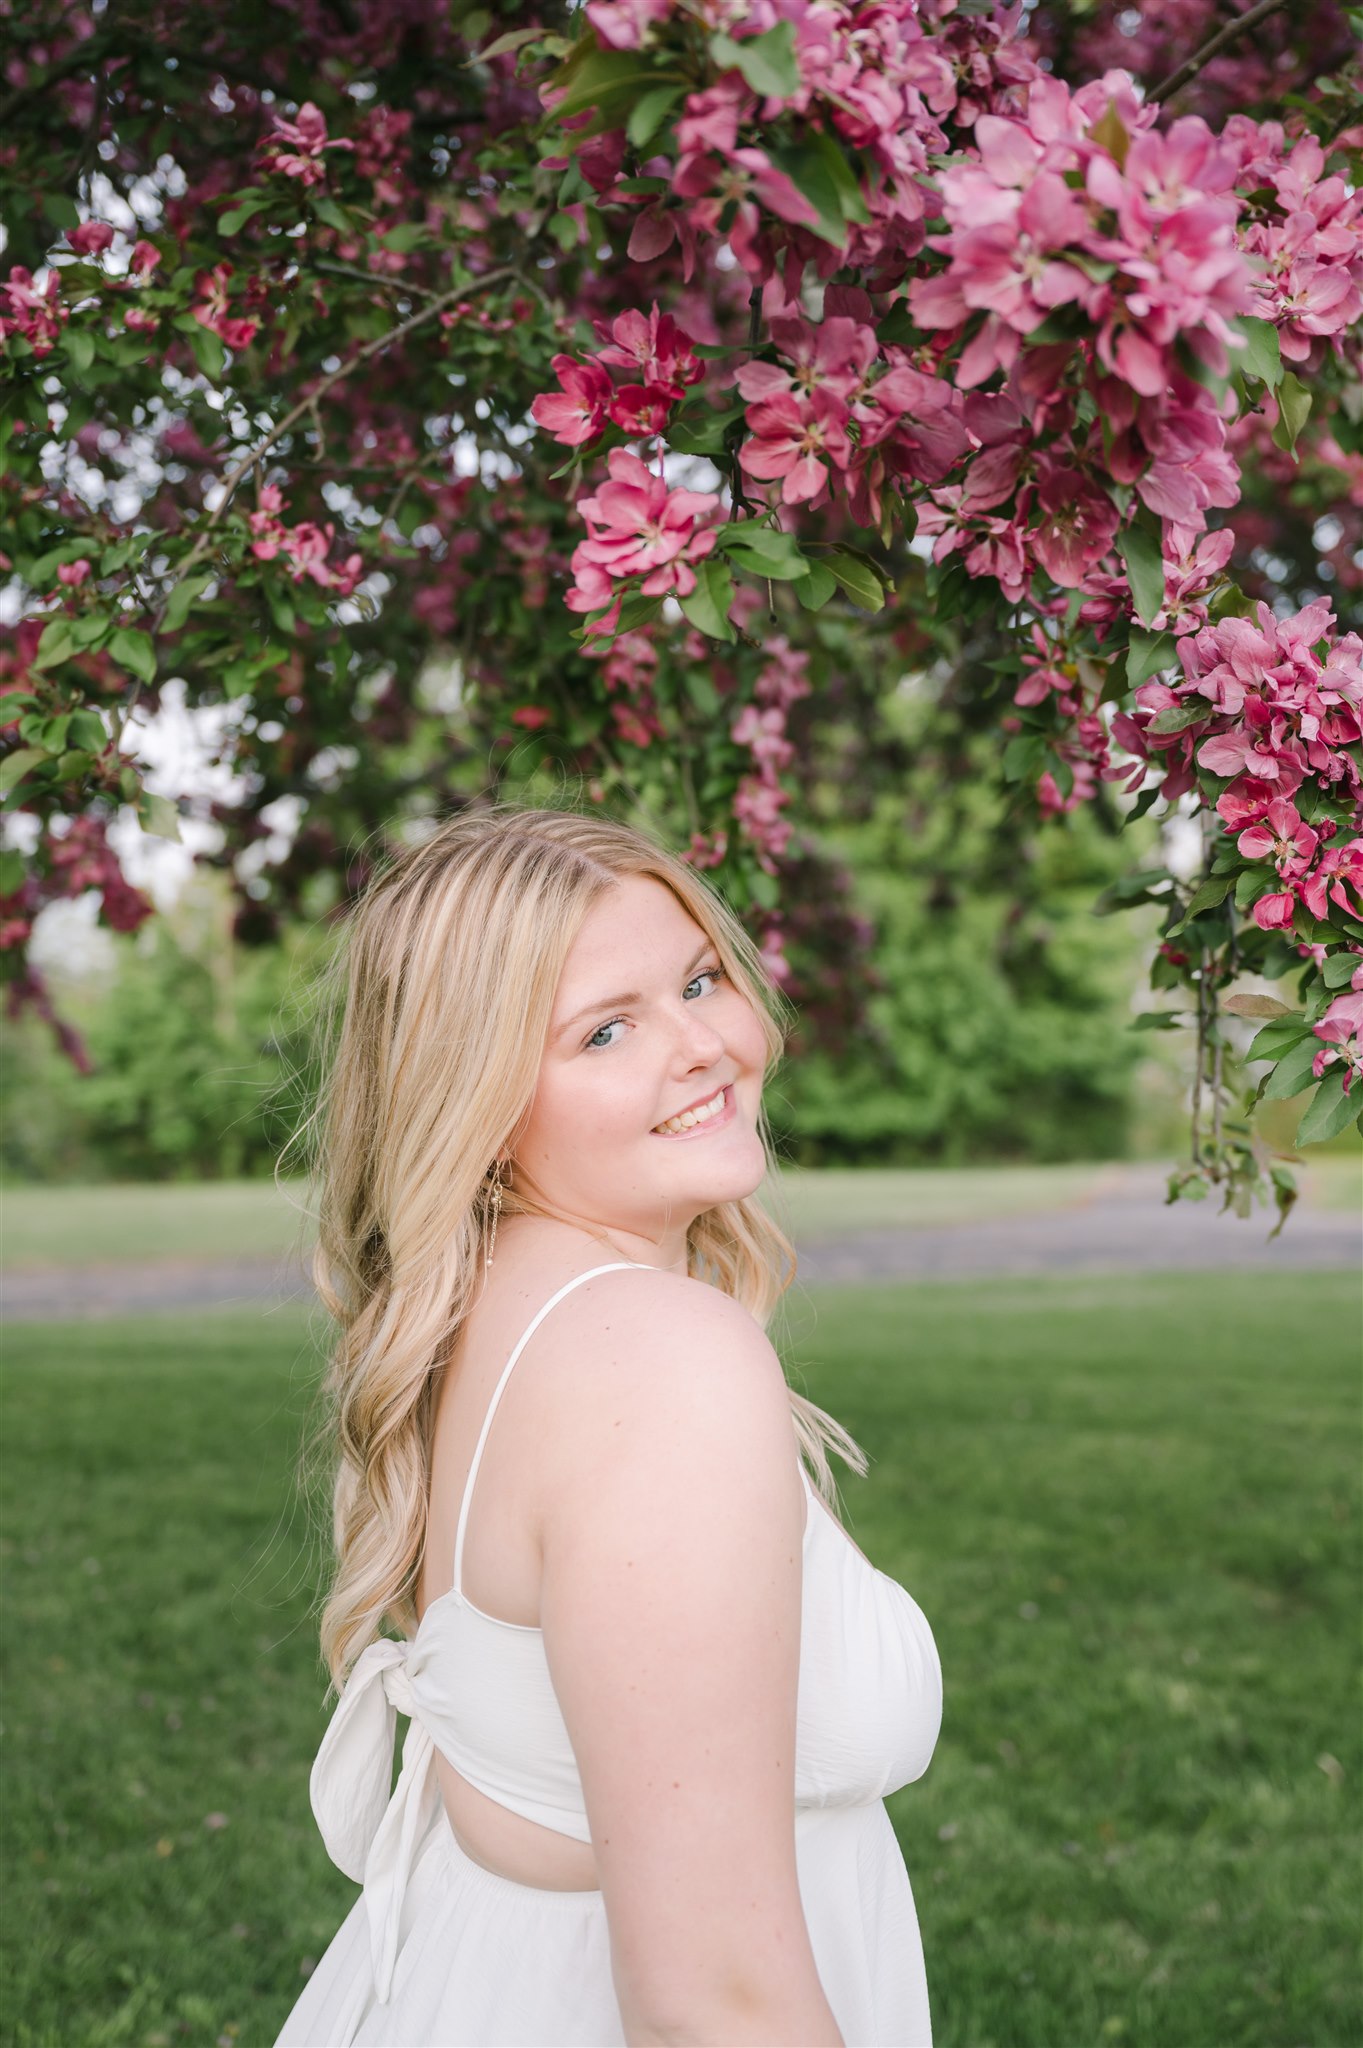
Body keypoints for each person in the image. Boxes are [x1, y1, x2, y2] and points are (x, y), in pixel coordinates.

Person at [274, 800, 943, 2047]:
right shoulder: (657, 1358)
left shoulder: (488, 1308)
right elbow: (711, 2000)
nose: (701, 1044)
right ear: (472, 1098)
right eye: (605, 1029)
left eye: (698, 978)